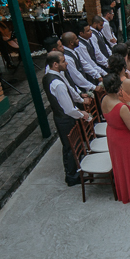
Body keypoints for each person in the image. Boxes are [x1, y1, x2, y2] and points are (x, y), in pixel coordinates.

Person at [43, 51, 91, 186]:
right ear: (55, 64)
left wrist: (81, 99)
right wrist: (82, 114)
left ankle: (77, 168)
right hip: (64, 118)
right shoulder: (57, 84)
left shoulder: (53, 75)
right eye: (63, 61)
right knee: (70, 147)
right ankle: (72, 176)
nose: (67, 63)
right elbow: (68, 108)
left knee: (74, 145)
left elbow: (71, 90)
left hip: (63, 116)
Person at [100, 74, 130, 205]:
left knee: (119, 164)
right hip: (124, 138)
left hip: (112, 134)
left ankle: (122, 191)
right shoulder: (122, 108)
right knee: (128, 165)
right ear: (119, 88)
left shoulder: (104, 100)